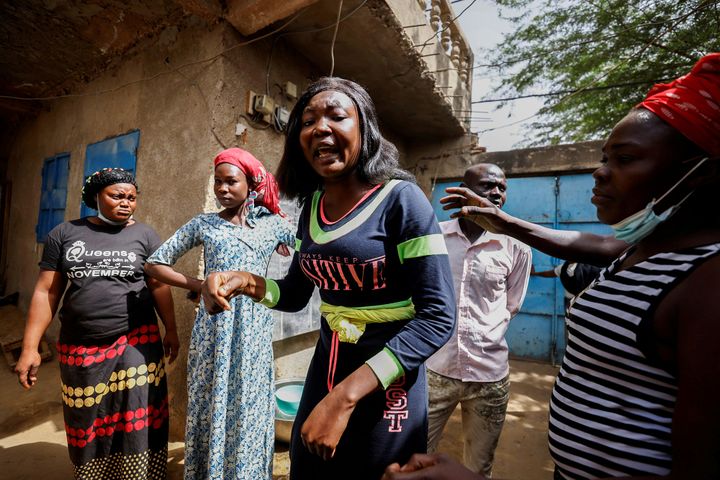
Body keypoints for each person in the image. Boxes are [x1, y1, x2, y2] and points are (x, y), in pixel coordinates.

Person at [383, 52, 720, 479]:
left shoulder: (707, 283)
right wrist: (505, 222)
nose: (600, 173)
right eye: (603, 158)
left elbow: (511, 304)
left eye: (625, 159)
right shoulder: (641, 250)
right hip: (441, 369)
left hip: (488, 370)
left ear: (697, 174)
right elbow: (593, 244)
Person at [201, 77, 457, 480]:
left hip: (388, 380)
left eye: (337, 115)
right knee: (310, 467)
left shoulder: (401, 201)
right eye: (308, 121)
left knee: (379, 473)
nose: (320, 127)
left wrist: (344, 399)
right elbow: (295, 295)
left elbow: (438, 316)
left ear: (365, 129)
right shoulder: (312, 207)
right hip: (328, 366)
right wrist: (246, 282)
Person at [15, 167, 179, 480]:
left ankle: (139, 475)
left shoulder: (144, 235)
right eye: (117, 196)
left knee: (137, 415)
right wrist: (30, 348)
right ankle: (95, 474)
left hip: (136, 340)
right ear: (95, 197)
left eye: (132, 197)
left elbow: (159, 285)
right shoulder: (64, 234)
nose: (126, 203)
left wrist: (169, 328)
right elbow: (46, 292)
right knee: (87, 416)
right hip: (81, 343)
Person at [144, 148, 294, 479]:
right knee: (210, 400)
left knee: (248, 404)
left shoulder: (272, 226)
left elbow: (313, 250)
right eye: (218, 182)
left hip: (253, 329)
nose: (223, 189)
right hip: (214, 327)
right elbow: (154, 263)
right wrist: (201, 286)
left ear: (251, 184)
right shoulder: (204, 224)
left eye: (231, 182)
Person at [425, 163, 531, 478]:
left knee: (479, 466)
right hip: (436, 370)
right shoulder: (436, 237)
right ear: (465, 189)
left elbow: (511, 304)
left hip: (490, 377)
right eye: (487, 185)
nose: (497, 192)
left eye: (502, 187)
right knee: (417, 456)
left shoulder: (516, 245)